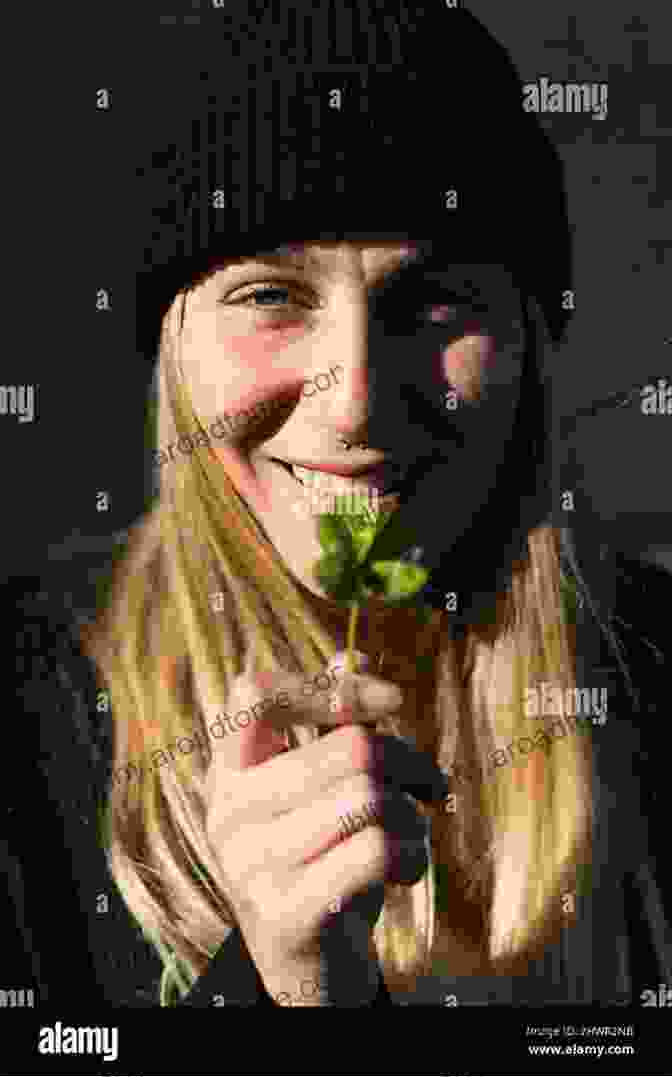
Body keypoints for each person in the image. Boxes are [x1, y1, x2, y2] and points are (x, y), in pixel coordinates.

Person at [8, 1, 671, 1011]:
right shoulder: (21, 727)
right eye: (271, 296)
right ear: (174, 355)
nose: (353, 400)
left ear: (531, 346)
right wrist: (281, 991)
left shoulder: (653, 683)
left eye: (434, 300)